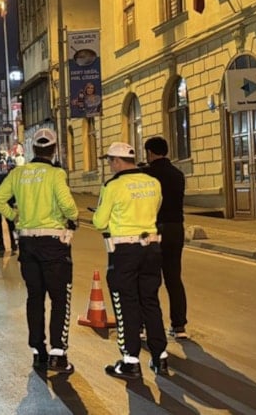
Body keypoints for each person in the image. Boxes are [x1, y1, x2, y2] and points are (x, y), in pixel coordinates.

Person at [0, 128, 79, 374]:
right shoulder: (56, 174)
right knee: (60, 298)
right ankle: (58, 354)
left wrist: (15, 217)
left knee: (35, 297)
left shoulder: (18, 173)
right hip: (54, 244)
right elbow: (68, 206)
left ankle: (38, 350)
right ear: (53, 149)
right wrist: (72, 217)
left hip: (28, 243)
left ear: (33, 149)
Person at [93, 142, 169, 379]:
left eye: (110, 161)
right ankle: (160, 357)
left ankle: (130, 361)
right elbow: (156, 209)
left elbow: (99, 222)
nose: (109, 165)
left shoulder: (113, 186)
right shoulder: (153, 182)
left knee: (126, 303)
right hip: (152, 247)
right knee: (150, 300)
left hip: (124, 251)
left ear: (117, 161)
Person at [144, 136, 188, 339]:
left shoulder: (147, 175)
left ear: (150, 153)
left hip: (154, 229)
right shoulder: (178, 174)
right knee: (174, 278)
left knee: (150, 278)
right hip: (176, 228)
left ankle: (147, 325)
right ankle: (179, 326)